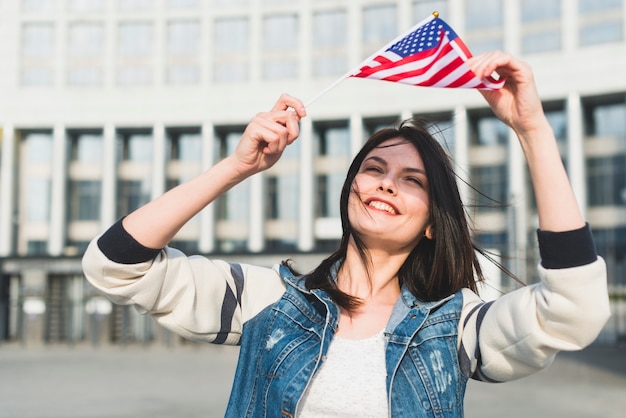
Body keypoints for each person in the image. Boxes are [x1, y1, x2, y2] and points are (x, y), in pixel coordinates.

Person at [82, 51, 610, 417]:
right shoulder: (269, 300)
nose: (385, 185)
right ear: (350, 188)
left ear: (432, 224)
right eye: (374, 169)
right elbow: (114, 265)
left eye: (411, 181)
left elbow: (574, 312)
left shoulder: (457, 328)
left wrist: (533, 129)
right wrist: (235, 168)